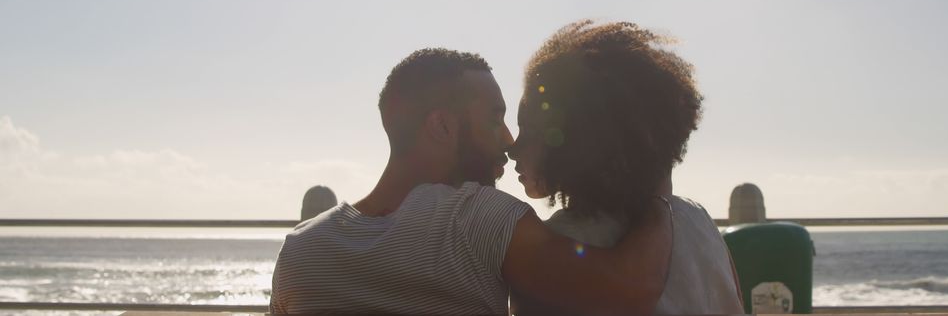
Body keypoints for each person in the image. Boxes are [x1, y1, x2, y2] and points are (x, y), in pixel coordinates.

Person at [270, 48, 673, 315]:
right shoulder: (478, 218)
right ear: (442, 126)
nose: (509, 139)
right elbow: (629, 289)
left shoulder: (300, 250)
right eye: (495, 118)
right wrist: (657, 199)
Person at [509, 20, 744, 315]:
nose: (511, 148)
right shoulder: (695, 217)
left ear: (575, 142)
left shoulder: (557, 248)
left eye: (528, 130)